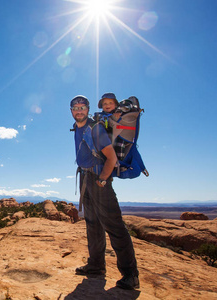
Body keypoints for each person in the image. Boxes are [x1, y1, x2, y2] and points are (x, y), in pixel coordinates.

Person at [70, 95, 140, 290]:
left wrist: (102, 180)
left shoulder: (95, 128)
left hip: (98, 180)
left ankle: (130, 275)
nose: (79, 110)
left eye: (82, 107)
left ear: (88, 109)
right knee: (93, 225)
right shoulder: (77, 128)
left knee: (114, 226)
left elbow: (111, 158)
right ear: (71, 111)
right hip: (86, 179)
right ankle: (96, 266)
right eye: (75, 108)